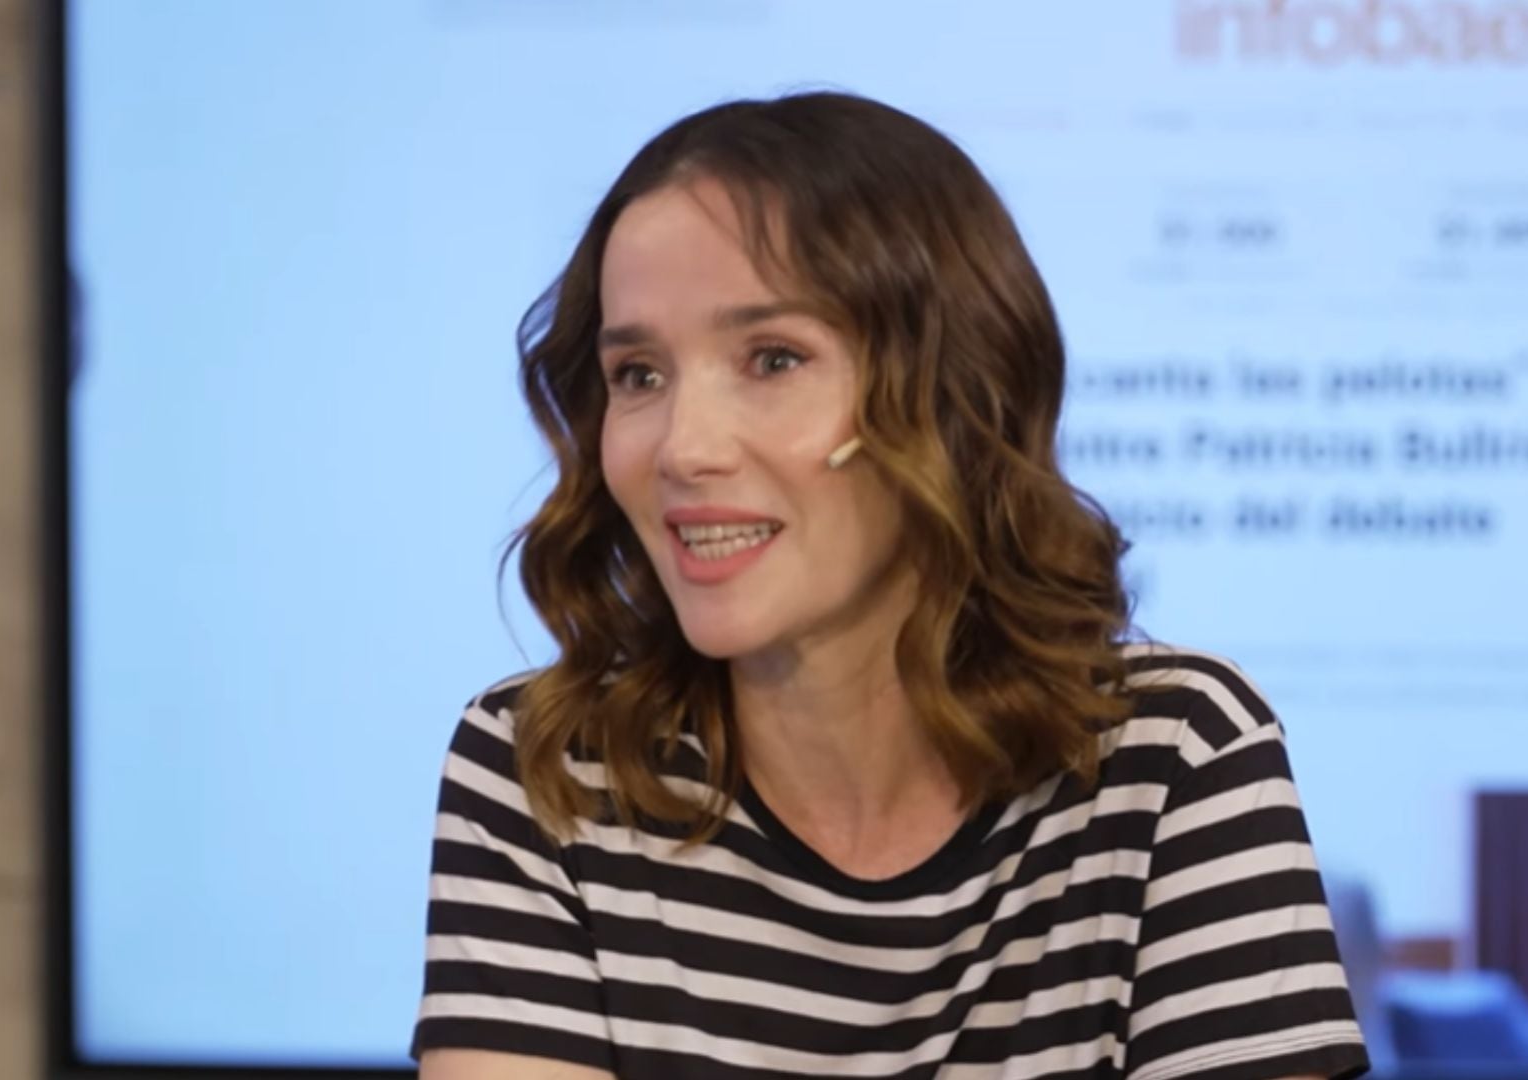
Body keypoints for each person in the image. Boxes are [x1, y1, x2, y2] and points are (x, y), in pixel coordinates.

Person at [411, 91, 1370, 1080]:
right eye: (639, 375)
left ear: (952, 393)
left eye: (773, 359)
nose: (683, 450)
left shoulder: (1173, 757)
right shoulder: (546, 767)